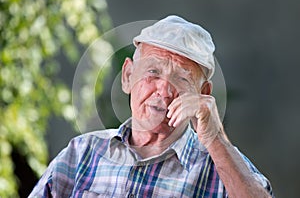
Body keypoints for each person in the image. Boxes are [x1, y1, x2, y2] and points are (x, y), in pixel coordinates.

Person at [29, 15, 274, 198]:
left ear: (203, 94)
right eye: (153, 71)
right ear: (127, 76)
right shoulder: (82, 153)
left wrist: (215, 138)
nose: (164, 90)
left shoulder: (220, 167)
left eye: (182, 79)